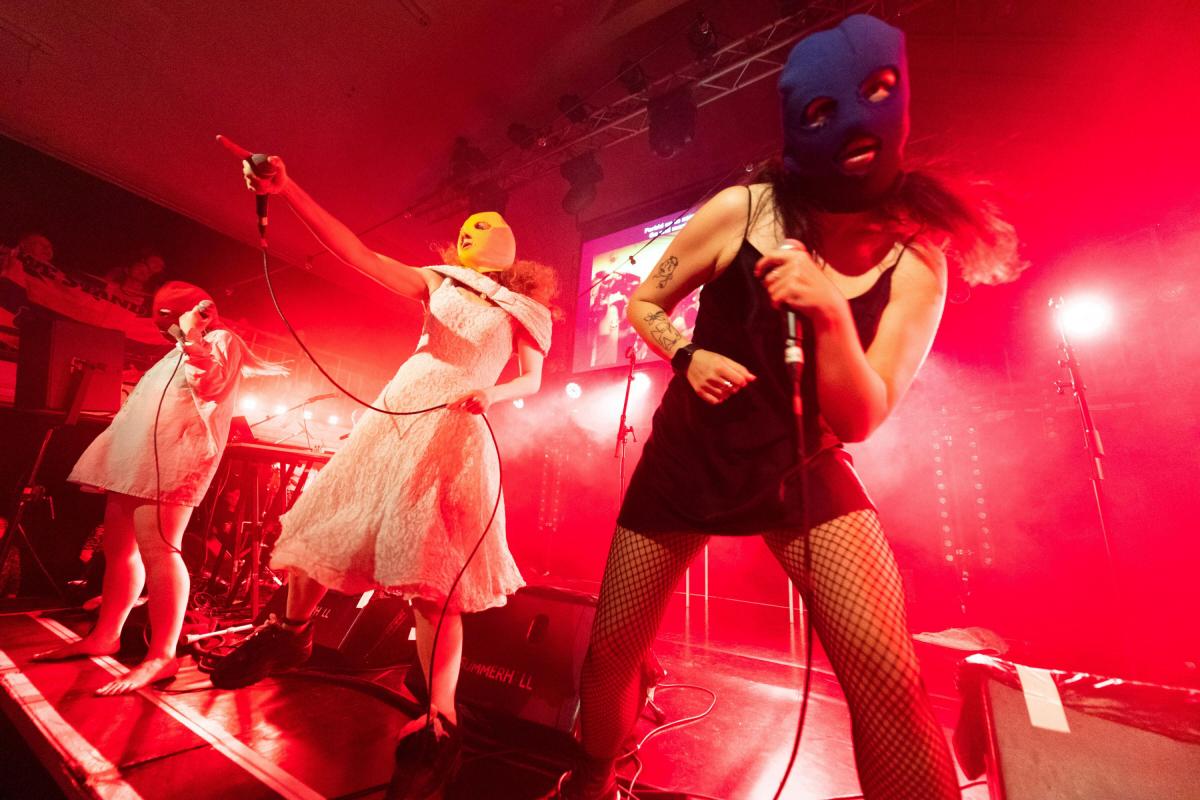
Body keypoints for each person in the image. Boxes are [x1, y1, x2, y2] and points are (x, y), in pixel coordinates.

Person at [554, 14, 1022, 800]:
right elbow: (643, 302)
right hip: (688, 460)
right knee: (610, 655)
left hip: (799, 464)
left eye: (878, 92)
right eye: (824, 111)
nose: (855, 126)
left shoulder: (916, 258)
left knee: (887, 674)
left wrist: (831, 315)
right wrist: (688, 356)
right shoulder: (742, 210)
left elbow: (863, 417)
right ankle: (595, 772)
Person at [208, 153, 556, 798]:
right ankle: (291, 634)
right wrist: (289, 188)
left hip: (453, 434)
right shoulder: (439, 281)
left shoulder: (525, 311)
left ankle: (441, 723)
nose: (475, 235)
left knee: (433, 581)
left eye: (488, 231)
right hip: (396, 417)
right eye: (468, 230)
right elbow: (357, 253)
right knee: (327, 526)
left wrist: (493, 394)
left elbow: (533, 379)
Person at [34, 281, 286, 694]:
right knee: (119, 549)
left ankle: (162, 656)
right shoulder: (176, 350)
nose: (156, 320)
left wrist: (192, 337)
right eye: (155, 312)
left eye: (166, 313)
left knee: (160, 550)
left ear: (203, 310)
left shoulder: (221, 340)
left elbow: (209, 386)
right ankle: (106, 635)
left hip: (173, 459)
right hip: (136, 458)